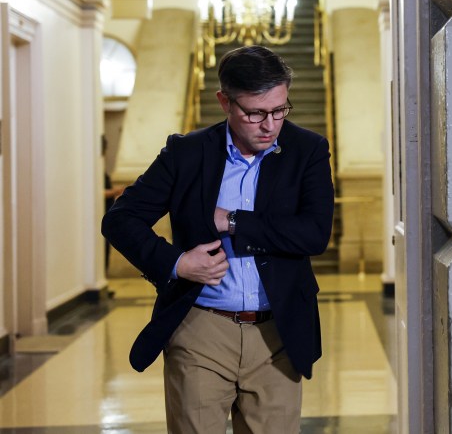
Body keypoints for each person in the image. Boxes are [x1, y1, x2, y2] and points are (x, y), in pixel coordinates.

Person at [101, 45, 334, 433]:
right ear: (224, 101)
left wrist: (233, 222)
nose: (269, 125)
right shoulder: (186, 153)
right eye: (255, 113)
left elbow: (313, 233)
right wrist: (177, 263)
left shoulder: (307, 150)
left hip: (277, 334)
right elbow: (122, 219)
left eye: (280, 109)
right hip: (199, 331)